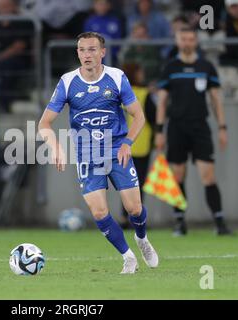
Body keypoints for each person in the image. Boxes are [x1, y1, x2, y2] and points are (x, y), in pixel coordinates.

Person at [38, 32, 159, 274]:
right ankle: (128, 257)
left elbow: (139, 116)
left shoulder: (116, 77)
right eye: (82, 50)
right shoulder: (68, 81)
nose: (87, 55)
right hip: (87, 153)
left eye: (92, 49)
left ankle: (142, 239)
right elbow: (44, 124)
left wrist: (127, 142)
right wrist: (56, 147)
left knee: (134, 209)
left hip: (116, 149)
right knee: (99, 211)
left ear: (102, 52)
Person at [155, 27, 232, 236]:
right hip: (177, 127)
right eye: (183, 38)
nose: (187, 42)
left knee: (208, 176)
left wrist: (223, 127)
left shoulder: (206, 66)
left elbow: (216, 99)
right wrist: (159, 131)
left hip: (200, 127)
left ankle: (219, 222)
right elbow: (162, 102)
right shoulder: (170, 67)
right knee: (177, 175)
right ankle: (180, 223)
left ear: (196, 41)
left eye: (191, 39)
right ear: (177, 40)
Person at [119, 63, 156, 229]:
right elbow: (153, 118)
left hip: (119, 146)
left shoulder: (117, 94)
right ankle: (137, 218)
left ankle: (125, 217)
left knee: (124, 183)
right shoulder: (143, 94)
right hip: (140, 145)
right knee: (138, 184)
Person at [83, 0, 124, 66]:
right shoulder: (89, 21)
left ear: (109, 6)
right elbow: (87, 40)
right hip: (94, 58)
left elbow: (118, 41)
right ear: (94, 6)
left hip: (113, 58)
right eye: (100, 4)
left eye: (104, 4)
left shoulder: (115, 20)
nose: (102, 7)